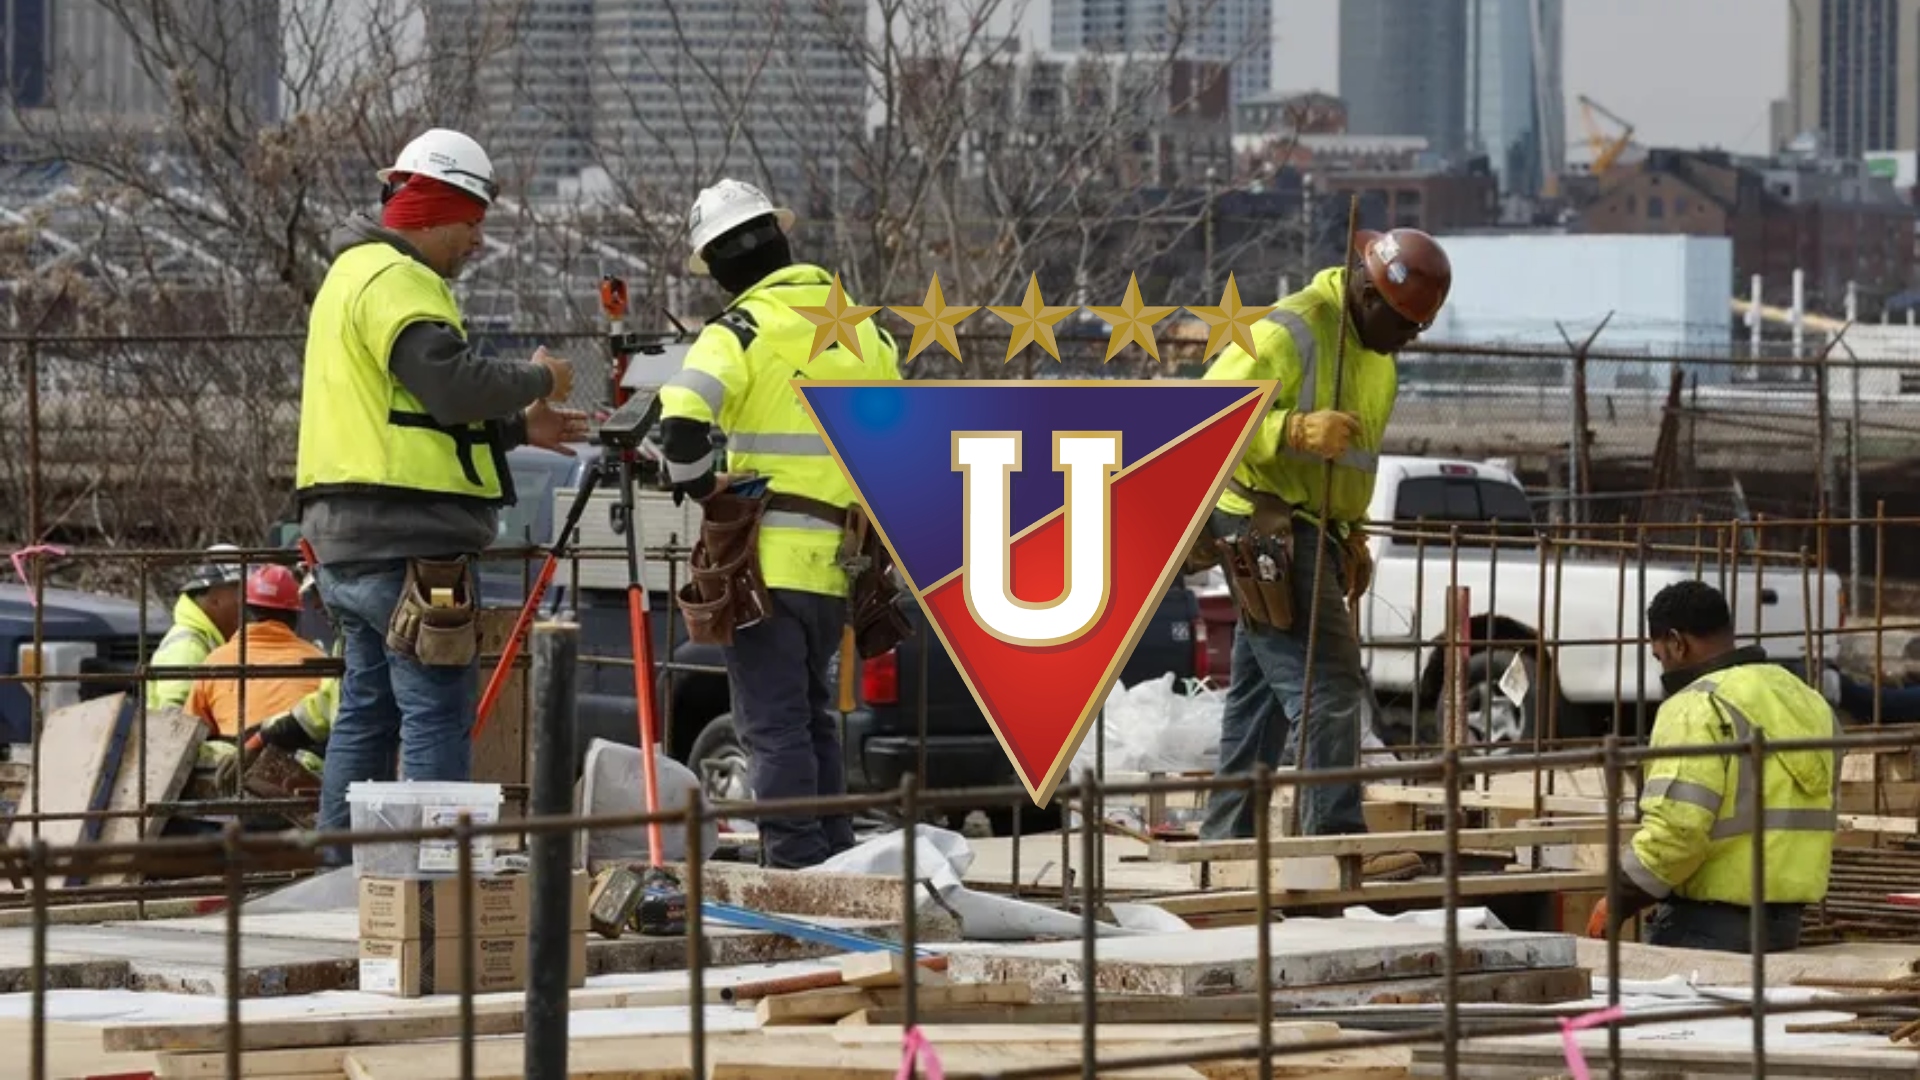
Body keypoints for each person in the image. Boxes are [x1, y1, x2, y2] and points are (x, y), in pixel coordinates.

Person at [294, 127, 589, 836]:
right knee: (434, 707)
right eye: (471, 223)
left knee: (368, 708)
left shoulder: (349, 277)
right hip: (410, 544)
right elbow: (451, 386)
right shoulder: (401, 281)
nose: (476, 242)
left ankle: (345, 875)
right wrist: (540, 379)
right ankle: (433, 883)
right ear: (433, 209)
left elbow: (408, 416)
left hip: (348, 539)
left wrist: (521, 428)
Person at [657, 178, 904, 869]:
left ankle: (796, 868)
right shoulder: (863, 332)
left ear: (718, 264)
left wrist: (701, 484)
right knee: (814, 719)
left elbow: (679, 428)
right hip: (838, 565)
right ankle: (833, 861)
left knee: (772, 725)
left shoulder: (738, 330)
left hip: (763, 564)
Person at [1196, 228, 1452, 882]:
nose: (1408, 340)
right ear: (1367, 295)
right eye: (1402, 324)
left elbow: (1356, 463)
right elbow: (1205, 416)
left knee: (1260, 695)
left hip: (1316, 528)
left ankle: (1225, 839)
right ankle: (1336, 841)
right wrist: (1293, 430)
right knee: (1327, 684)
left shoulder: (1375, 355)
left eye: (1416, 330)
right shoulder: (1293, 330)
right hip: (1264, 522)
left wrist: (1353, 531)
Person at [1587, 580, 1838, 953]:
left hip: (1706, 926)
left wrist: (1618, 898)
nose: (1664, 667)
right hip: (1784, 927)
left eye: (1660, 656)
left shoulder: (1696, 706)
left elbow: (1677, 832)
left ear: (1676, 642)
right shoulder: (1806, 698)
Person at [186, 565, 330, 781]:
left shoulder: (215, 661)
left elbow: (191, 729)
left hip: (233, 773)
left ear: (245, 611)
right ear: (295, 615)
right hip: (302, 772)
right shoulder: (318, 659)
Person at [147, 544, 246, 712]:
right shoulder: (188, 646)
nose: (245, 601)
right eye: (238, 590)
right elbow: (173, 720)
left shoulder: (207, 639)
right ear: (215, 598)